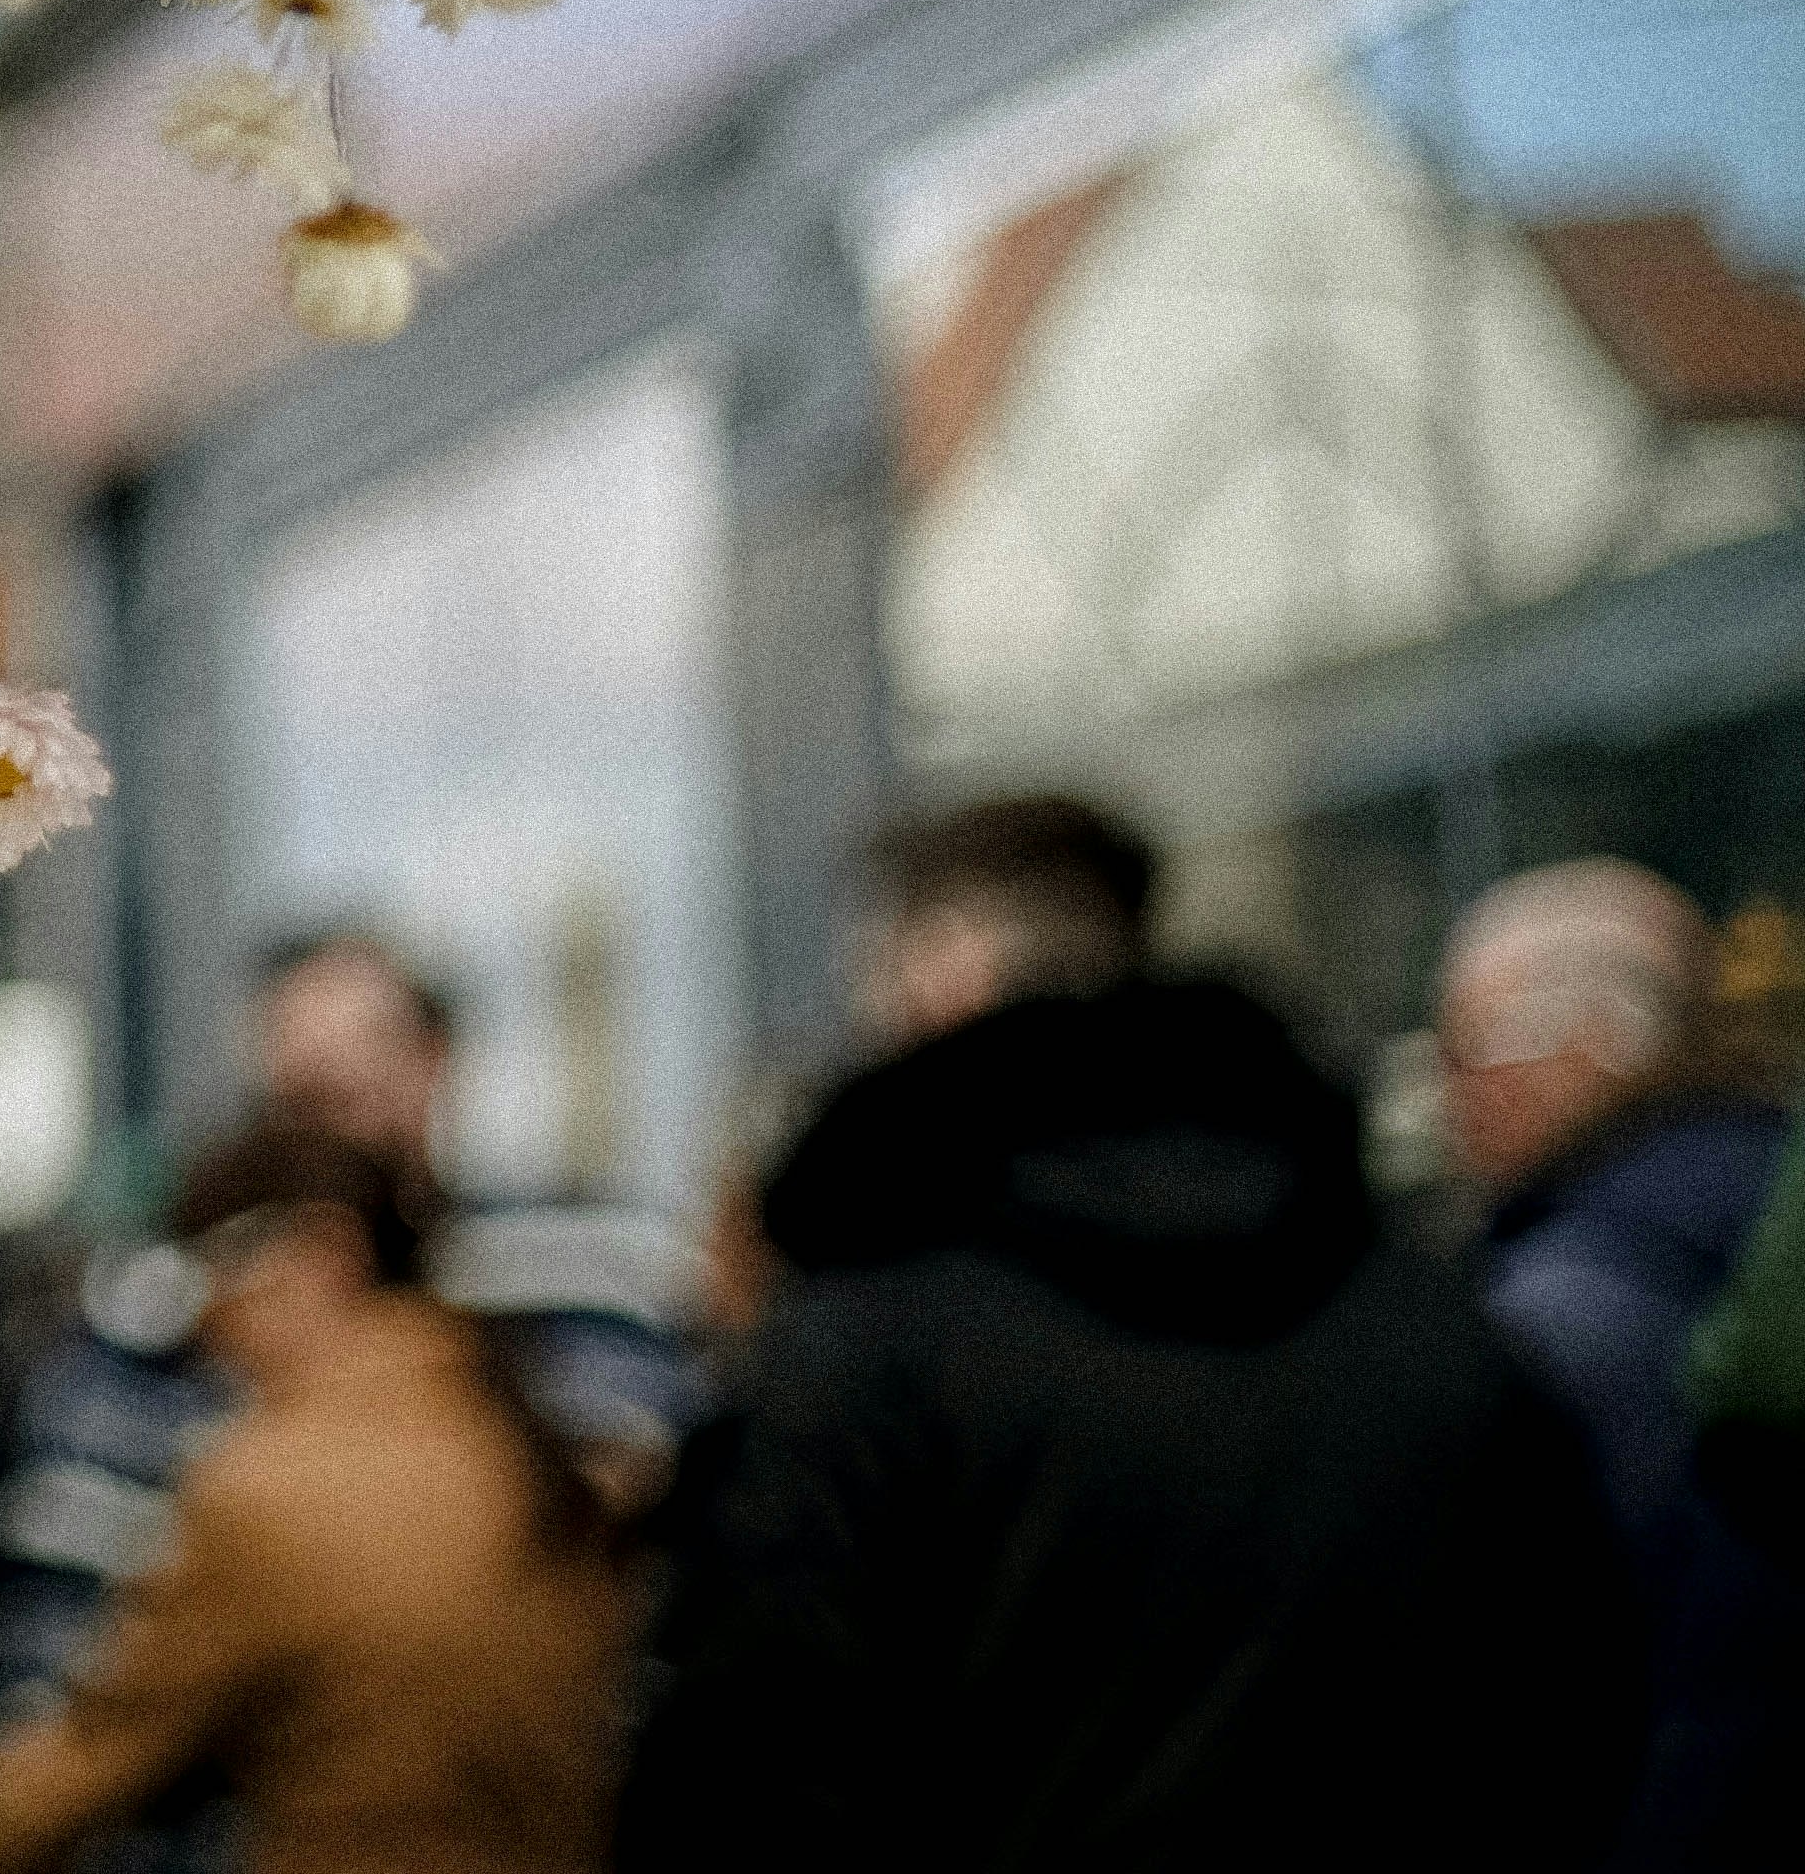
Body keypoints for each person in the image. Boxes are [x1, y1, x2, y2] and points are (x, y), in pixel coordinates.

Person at [618, 796, 1649, 1871]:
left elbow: (740, 1783)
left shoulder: (857, 1355)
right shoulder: (1426, 1322)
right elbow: (1576, 1722)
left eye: (874, 974)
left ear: (946, 976)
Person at [0, 934, 695, 1773]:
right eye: (300, 1107)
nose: (333, 1148)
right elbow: (59, 1624)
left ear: (435, 1066)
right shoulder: (166, 1312)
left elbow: (654, 1556)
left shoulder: (592, 1274)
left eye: (351, 1097)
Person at [0, 1127, 626, 1874]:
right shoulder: (508, 1428)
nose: (209, 1336)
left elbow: (96, 1761)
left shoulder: (275, 1485)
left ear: (325, 1256)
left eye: (218, 1285)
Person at [1439, 861, 1804, 1867]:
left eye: (1468, 1051)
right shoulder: (1774, 1224)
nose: (1447, 1102)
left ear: (1589, 1042)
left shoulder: (1552, 1322)